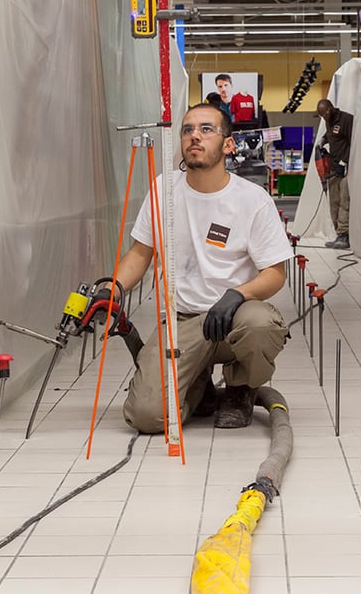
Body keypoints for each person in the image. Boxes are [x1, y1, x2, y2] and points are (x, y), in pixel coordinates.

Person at [104, 102, 292, 431]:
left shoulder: (252, 199)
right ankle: (197, 387)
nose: (195, 136)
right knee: (147, 416)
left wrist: (237, 294)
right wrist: (109, 291)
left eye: (206, 129)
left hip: (235, 318)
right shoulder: (164, 190)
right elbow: (138, 255)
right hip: (183, 321)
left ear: (228, 144)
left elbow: (275, 274)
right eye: (188, 130)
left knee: (261, 323)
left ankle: (240, 389)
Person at [315, 98, 354, 249]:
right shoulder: (328, 121)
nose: (324, 118)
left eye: (324, 115)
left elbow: (354, 142)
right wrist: (323, 139)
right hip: (333, 167)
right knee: (334, 202)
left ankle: (344, 235)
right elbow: (331, 134)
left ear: (330, 110)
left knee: (345, 201)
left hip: (345, 168)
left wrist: (346, 161)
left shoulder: (346, 119)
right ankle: (338, 233)